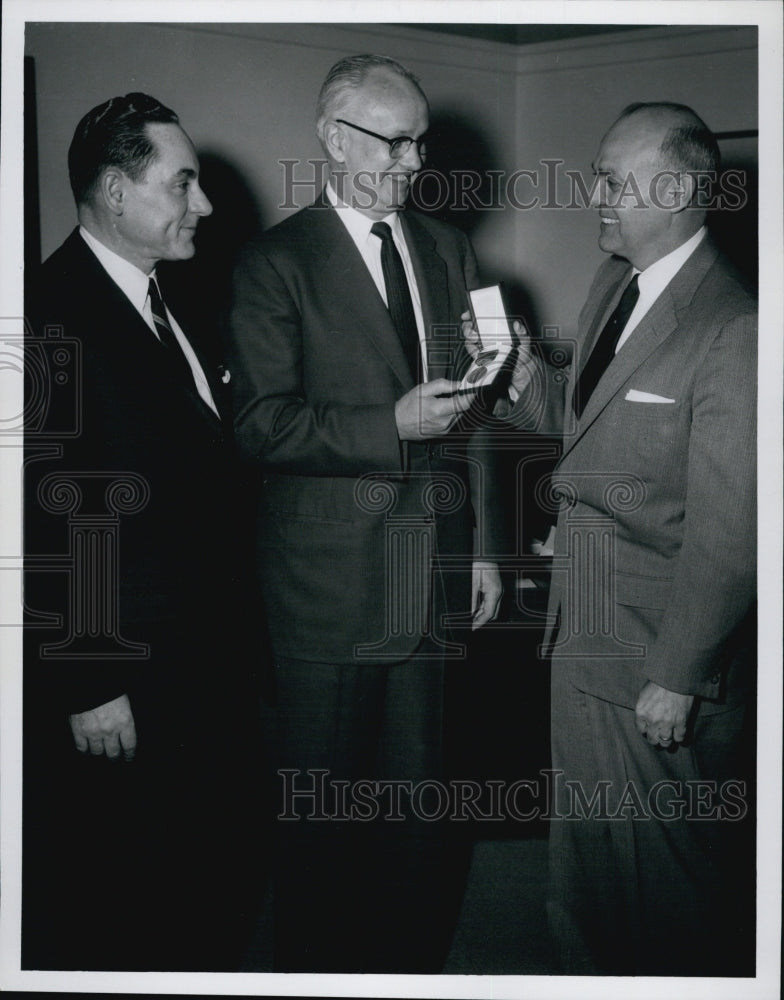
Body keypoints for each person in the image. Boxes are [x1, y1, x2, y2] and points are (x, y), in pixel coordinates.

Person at [225, 54, 503, 973]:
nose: (416, 161)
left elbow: (480, 411)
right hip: (324, 597)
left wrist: (488, 553)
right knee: (323, 828)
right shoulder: (273, 261)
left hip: (427, 587)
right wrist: (388, 423)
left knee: (417, 826)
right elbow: (260, 425)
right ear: (335, 141)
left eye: (422, 139)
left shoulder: (449, 249)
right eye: (398, 139)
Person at [483, 102, 756, 975]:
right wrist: (522, 380)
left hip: (655, 657)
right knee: (586, 862)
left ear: (674, 189)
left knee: (671, 877)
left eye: (610, 178)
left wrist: (679, 674)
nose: (592, 194)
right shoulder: (616, 284)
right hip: (583, 634)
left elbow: (733, 529)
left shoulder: (733, 326)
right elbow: (582, 430)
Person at [23, 93, 266, 971]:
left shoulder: (181, 299)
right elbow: (41, 507)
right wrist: (87, 677)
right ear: (117, 195)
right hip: (126, 677)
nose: (202, 204)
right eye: (183, 183)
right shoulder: (45, 315)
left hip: (204, 667)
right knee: (126, 895)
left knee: (204, 882)